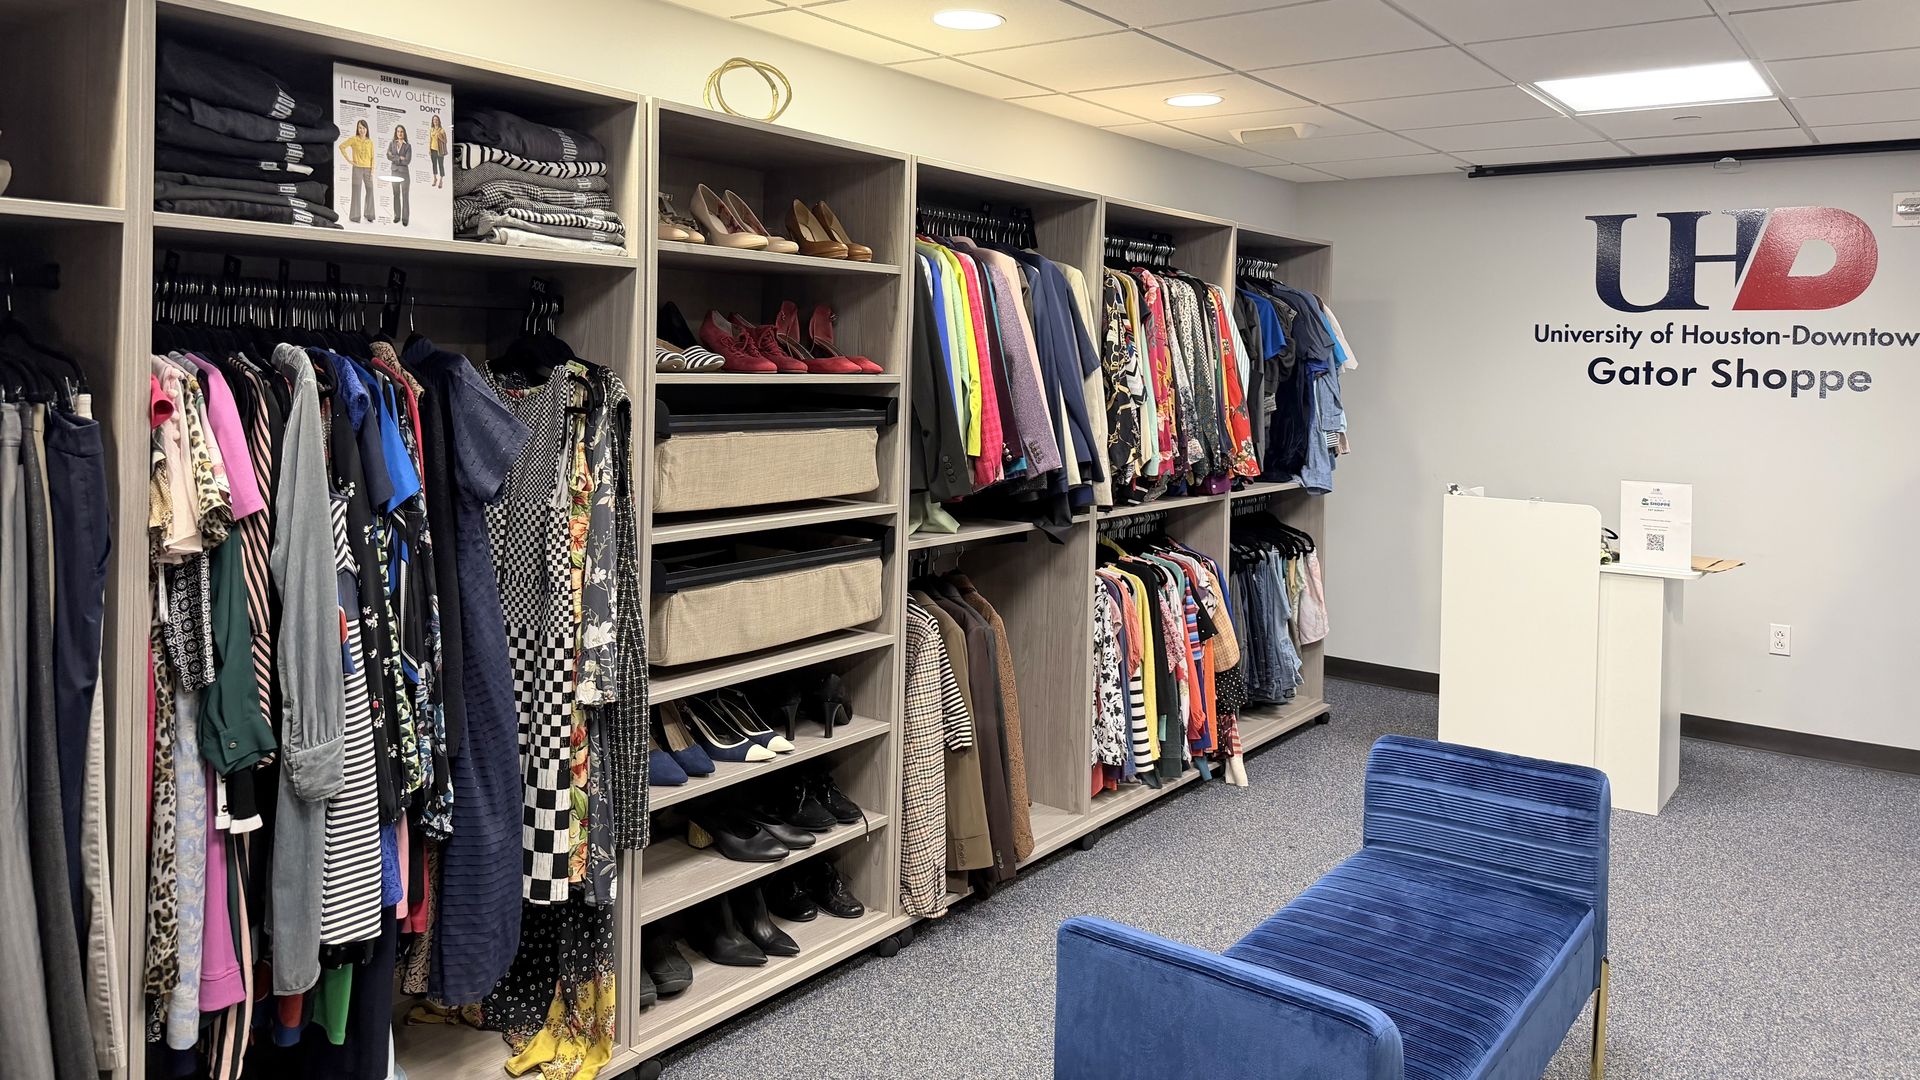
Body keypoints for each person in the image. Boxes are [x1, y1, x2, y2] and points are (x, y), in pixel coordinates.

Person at [338, 119, 375, 223]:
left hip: (368, 169)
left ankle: (369, 214)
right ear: (357, 129)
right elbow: (341, 146)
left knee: (370, 190)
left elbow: (373, 157)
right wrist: (349, 160)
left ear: (367, 129)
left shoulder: (370, 142)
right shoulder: (354, 139)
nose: (362, 130)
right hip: (357, 168)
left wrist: (372, 172)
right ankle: (355, 216)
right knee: (356, 192)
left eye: (363, 128)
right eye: (360, 128)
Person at [387, 124, 413, 227]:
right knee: (396, 194)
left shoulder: (408, 146)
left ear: (404, 133)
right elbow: (388, 156)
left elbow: (407, 160)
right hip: (394, 172)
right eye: (398, 131)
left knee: (405, 196)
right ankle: (397, 216)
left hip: (404, 173)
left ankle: (405, 218)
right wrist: (399, 158)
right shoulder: (392, 143)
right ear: (396, 133)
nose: (400, 133)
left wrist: (394, 157)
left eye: (401, 131)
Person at [428, 114, 447, 189]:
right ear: (432, 121)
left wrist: (440, 137)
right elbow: (430, 140)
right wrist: (429, 149)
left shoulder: (442, 130)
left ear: (439, 121)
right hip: (433, 150)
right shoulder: (431, 129)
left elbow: (445, 141)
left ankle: (441, 180)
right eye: (434, 120)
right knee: (434, 164)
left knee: (441, 165)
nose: (435, 121)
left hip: (440, 151)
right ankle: (435, 178)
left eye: (436, 120)